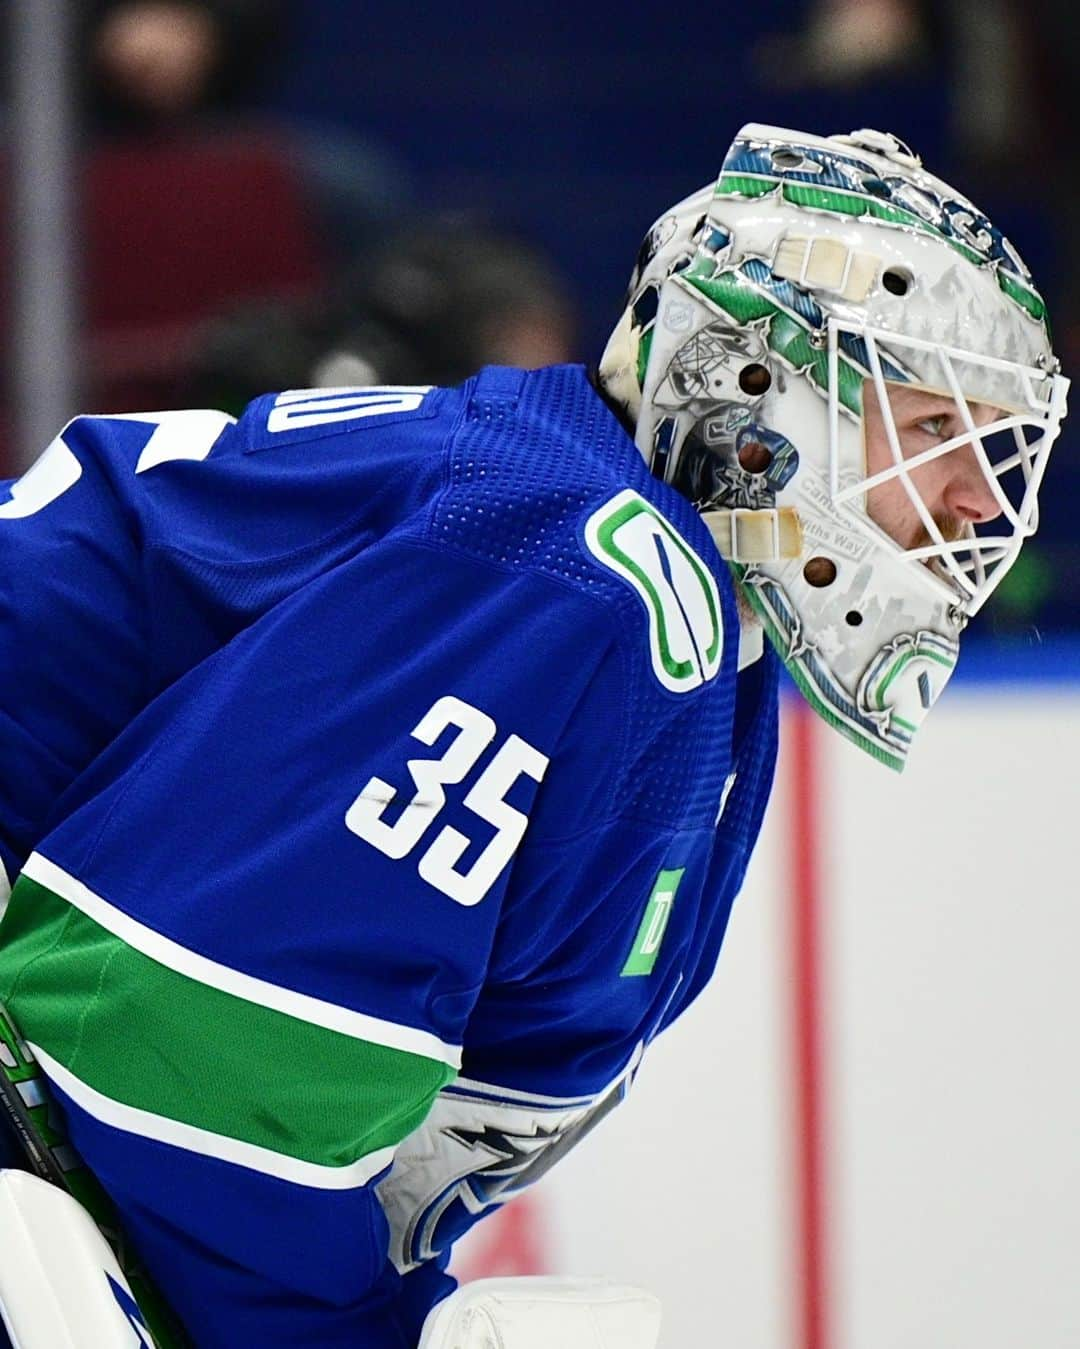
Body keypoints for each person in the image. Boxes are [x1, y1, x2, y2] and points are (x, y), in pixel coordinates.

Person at [0, 123, 1067, 1347]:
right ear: (753, 380)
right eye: (934, 428)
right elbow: (187, 1045)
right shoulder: (593, 577)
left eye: (998, 451)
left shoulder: (657, 606)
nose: (982, 503)